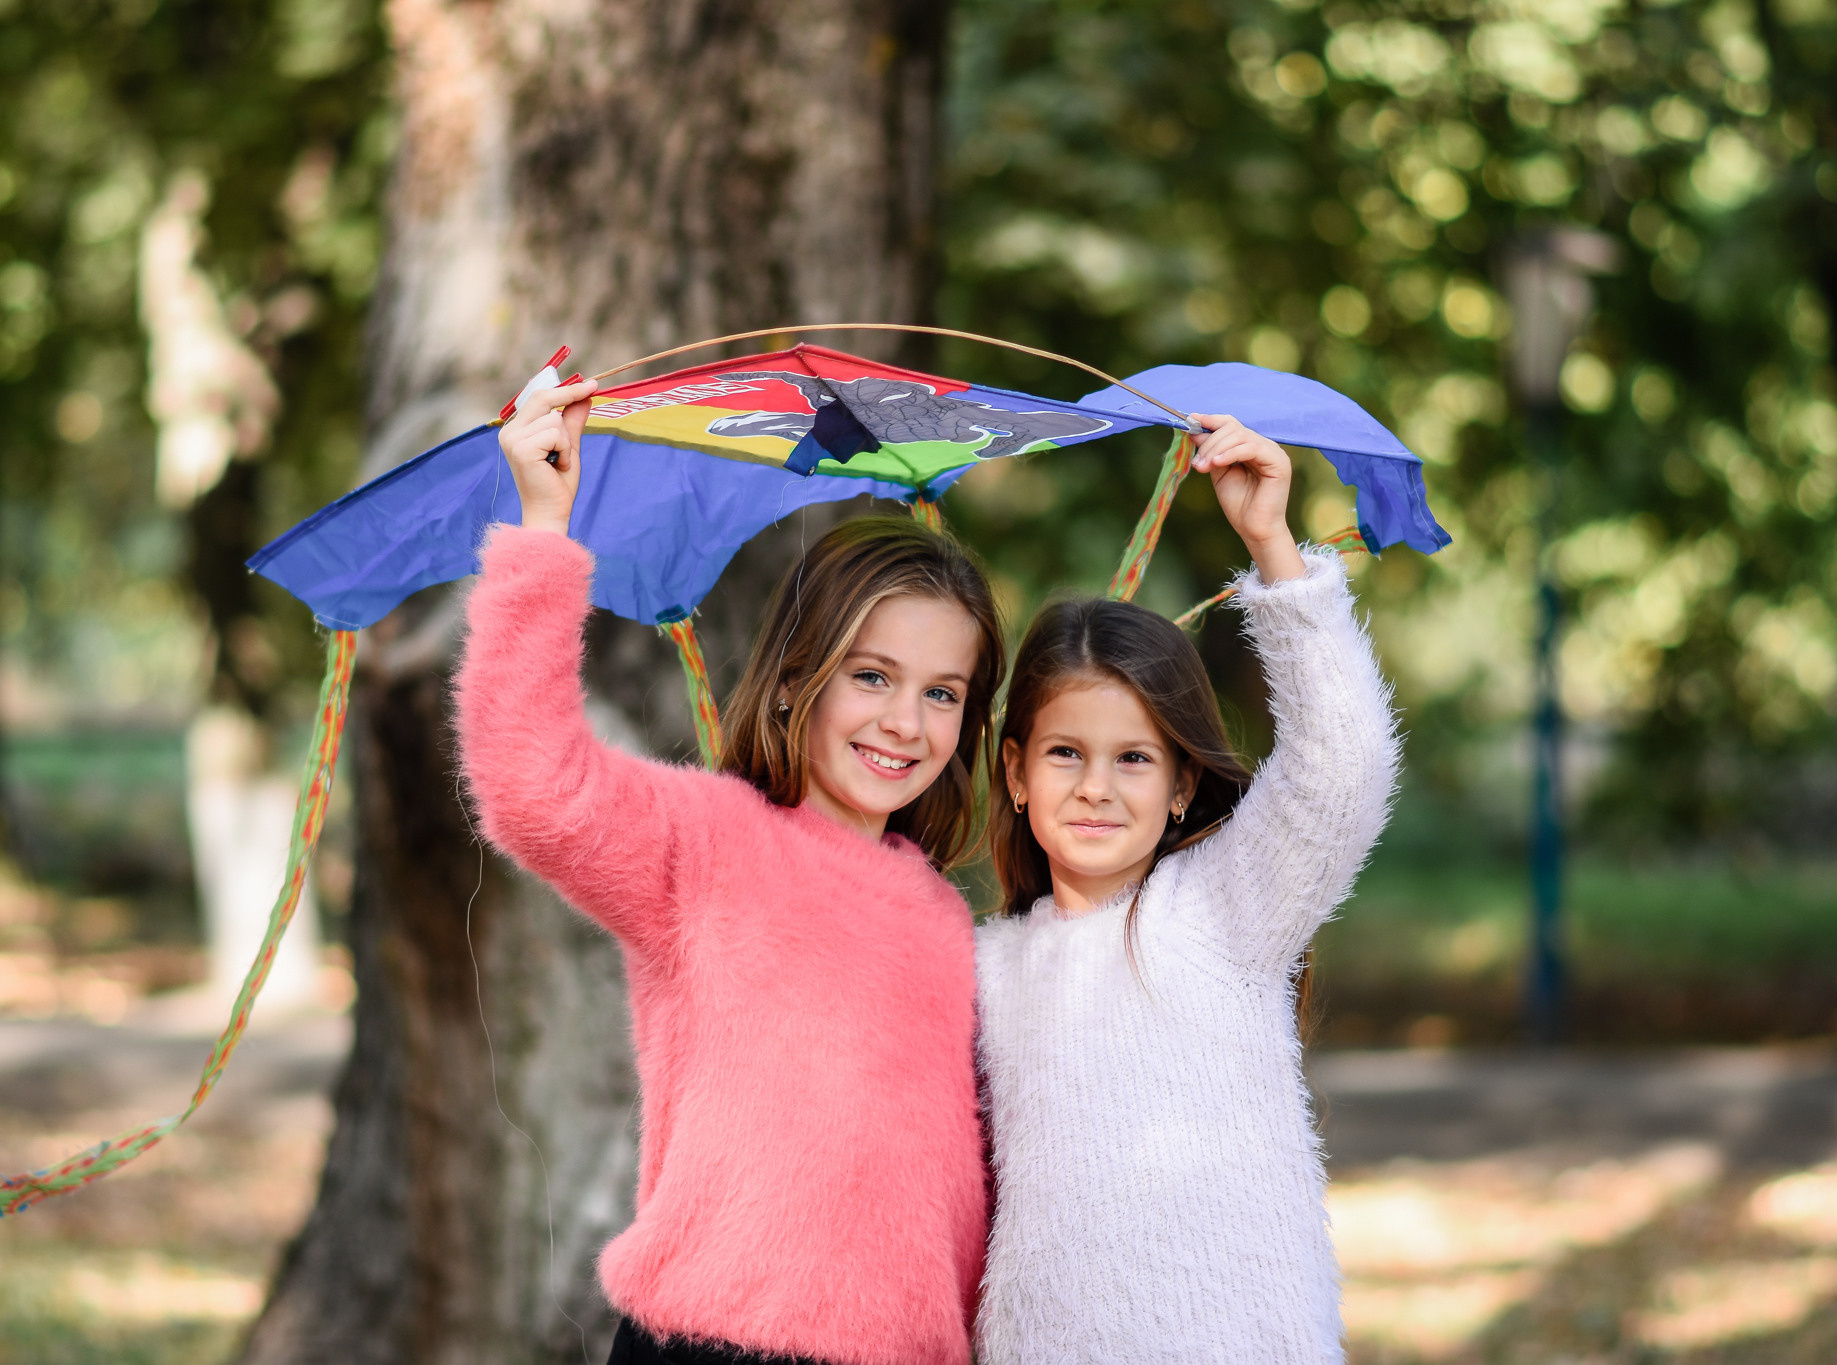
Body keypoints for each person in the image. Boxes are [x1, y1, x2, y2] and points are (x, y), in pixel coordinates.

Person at [455, 378, 1002, 1365]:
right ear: (795, 683)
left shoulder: (938, 914)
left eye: (941, 693)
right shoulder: (710, 841)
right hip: (715, 1342)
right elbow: (531, 788)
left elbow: (955, 1180)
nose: (902, 723)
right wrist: (543, 525)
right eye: (869, 676)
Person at [973, 413, 1400, 1363]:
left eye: (1134, 757)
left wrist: (1271, 545)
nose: (1095, 785)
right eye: (1065, 753)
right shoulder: (983, 967)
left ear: (1178, 787)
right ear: (1014, 771)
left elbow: (1344, 768)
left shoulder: (1224, 909)